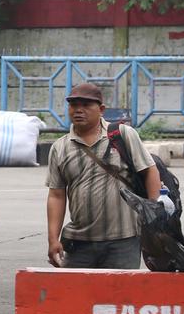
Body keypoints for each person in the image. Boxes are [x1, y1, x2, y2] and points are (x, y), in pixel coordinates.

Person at [46, 82, 161, 269]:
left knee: (121, 296)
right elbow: (56, 195)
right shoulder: (60, 147)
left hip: (124, 240)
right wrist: (53, 239)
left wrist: (155, 220)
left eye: (86, 105)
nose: (79, 110)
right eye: (74, 105)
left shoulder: (122, 135)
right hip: (79, 243)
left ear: (101, 109)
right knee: (77, 296)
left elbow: (149, 171)